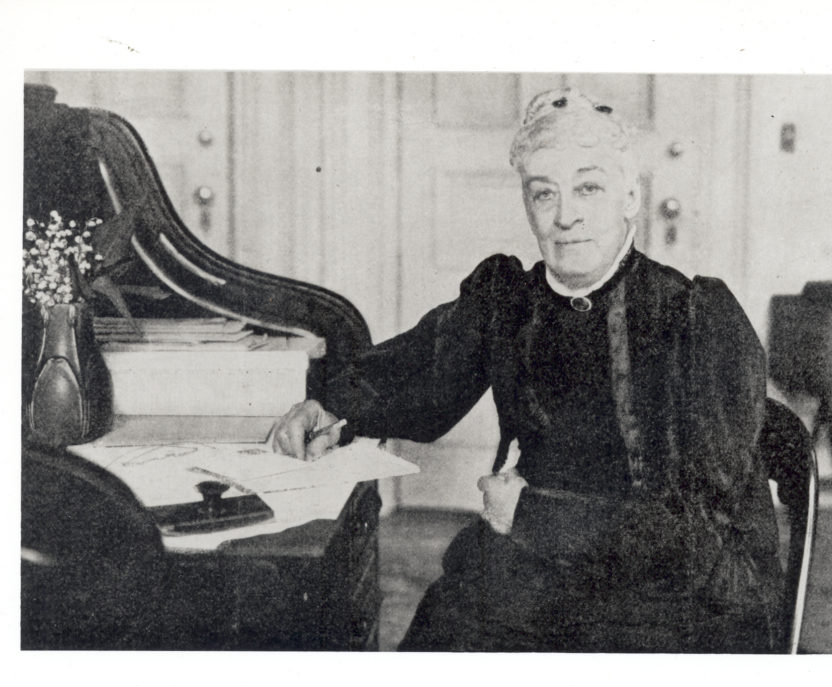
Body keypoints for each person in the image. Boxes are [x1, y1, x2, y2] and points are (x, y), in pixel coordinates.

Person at [271, 88, 783, 652]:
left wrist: (535, 517)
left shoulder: (692, 318)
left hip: (662, 607)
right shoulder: (509, 301)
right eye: (545, 194)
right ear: (527, 204)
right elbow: (421, 377)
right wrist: (334, 409)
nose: (566, 216)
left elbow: (706, 545)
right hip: (530, 575)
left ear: (631, 196)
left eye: (588, 187)